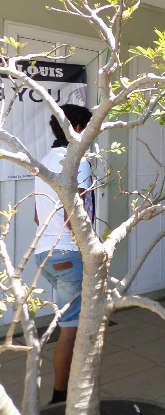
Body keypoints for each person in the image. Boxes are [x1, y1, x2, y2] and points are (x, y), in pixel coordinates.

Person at [33, 103, 93, 405]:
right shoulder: (76, 160)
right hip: (69, 253)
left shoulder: (44, 161)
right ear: (78, 128)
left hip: (45, 254)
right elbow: (74, 214)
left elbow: (37, 216)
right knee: (71, 329)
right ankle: (60, 396)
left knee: (70, 323)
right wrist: (91, 247)